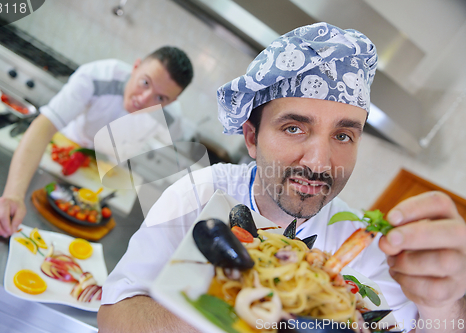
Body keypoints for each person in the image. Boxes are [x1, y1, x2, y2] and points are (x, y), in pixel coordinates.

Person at [97, 23, 466, 332]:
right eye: (294, 128)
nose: (320, 162)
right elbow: (114, 314)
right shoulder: (198, 193)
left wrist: (445, 303)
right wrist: (225, 307)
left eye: (342, 136)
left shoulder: (370, 248)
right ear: (252, 138)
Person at [0, 46, 194, 238]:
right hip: (63, 154)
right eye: (145, 82)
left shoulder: (172, 118)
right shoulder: (97, 75)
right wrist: (13, 196)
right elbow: (44, 126)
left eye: (160, 98)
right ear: (135, 67)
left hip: (106, 173)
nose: (144, 99)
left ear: (171, 101)